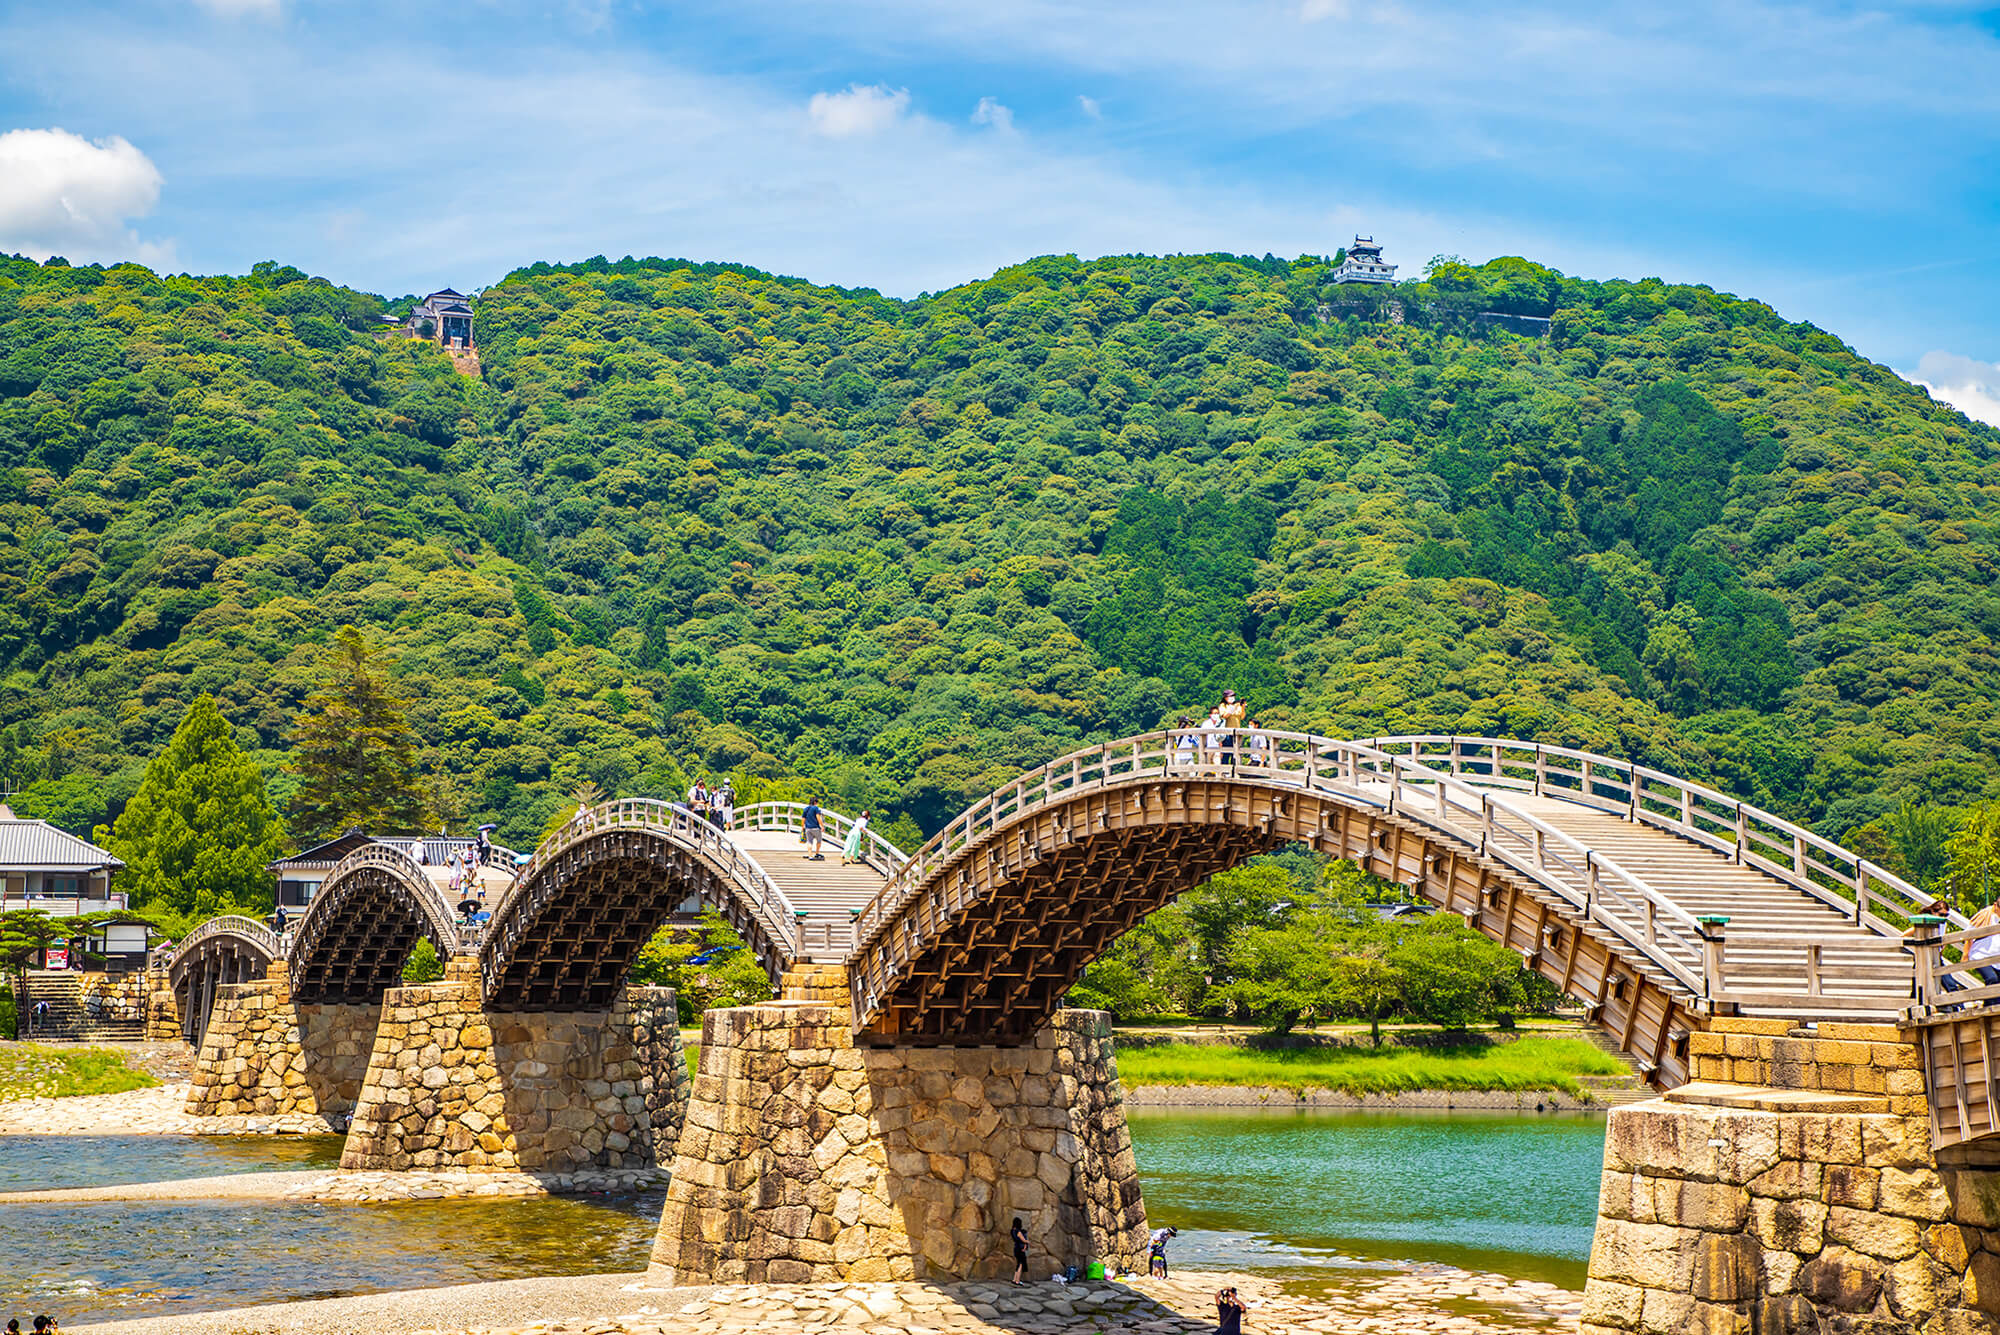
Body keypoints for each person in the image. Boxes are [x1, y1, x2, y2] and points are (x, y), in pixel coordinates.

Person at [1216, 690, 1245, 767]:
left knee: (1236, 753)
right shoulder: (1223, 705)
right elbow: (1224, 716)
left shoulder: (1238, 705)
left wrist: (1242, 707)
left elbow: (1242, 717)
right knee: (1227, 752)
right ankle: (1224, 770)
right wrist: (1233, 708)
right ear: (1225, 697)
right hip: (1228, 732)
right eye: (1230, 696)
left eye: (1233, 696)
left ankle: (1234, 771)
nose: (1232, 698)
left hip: (1237, 732)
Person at [1011, 1216, 1029, 1285]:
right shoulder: (1018, 1231)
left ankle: (1014, 1279)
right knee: (1021, 1265)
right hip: (1020, 1249)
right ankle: (1017, 1281)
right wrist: (1028, 1242)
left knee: (1018, 1264)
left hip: (1016, 1248)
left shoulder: (1012, 1231)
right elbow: (1023, 1240)